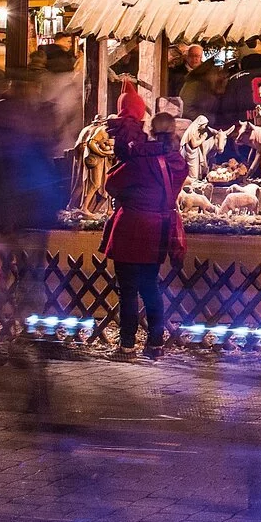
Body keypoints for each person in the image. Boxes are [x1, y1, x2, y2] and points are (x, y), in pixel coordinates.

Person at [0, 66, 66, 367]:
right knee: (0, 280)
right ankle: (1, 341)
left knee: (7, 279)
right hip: (9, 215)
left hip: (17, 214)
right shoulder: (4, 120)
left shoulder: (13, 119)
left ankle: (7, 340)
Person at [101, 91, 179, 358]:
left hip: (131, 228)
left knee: (128, 291)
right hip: (158, 230)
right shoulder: (177, 163)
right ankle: (156, 343)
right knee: (151, 286)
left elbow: (111, 184)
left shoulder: (141, 160)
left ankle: (126, 345)